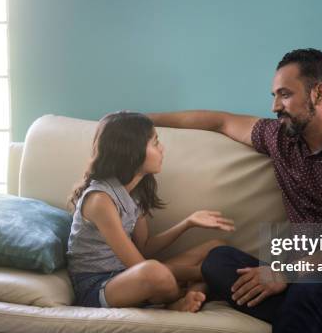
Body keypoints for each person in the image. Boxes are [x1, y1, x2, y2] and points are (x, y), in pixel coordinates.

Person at [148, 48, 322, 333]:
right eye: (274, 95)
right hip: (303, 273)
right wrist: (140, 119)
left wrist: (286, 271)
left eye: (284, 94)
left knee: (307, 288)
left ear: (318, 93)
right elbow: (220, 121)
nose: (274, 107)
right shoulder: (279, 137)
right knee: (217, 261)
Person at [66, 111, 235, 312]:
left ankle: (190, 293)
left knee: (217, 248)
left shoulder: (134, 193)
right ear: (132, 151)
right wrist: (202, 272)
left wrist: (188, 223)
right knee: (154, 272)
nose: (162, 149)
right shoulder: (100, 200)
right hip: (98, 286)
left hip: (127, 275)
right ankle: (180, 297)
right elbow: (138, 265)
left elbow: (144, 247)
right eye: (155, 143)